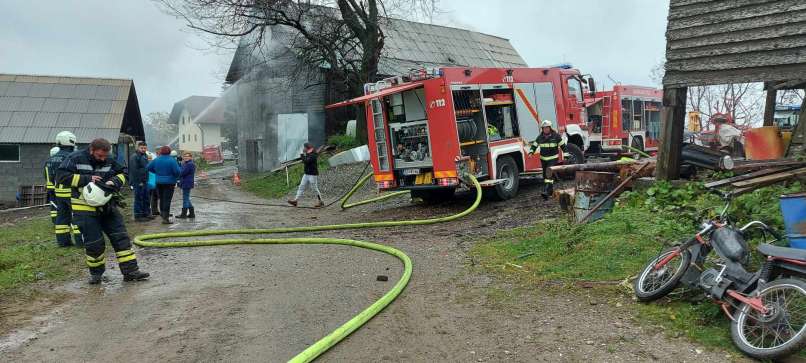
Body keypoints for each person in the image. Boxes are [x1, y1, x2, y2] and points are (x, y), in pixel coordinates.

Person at [57, 138, 149, 284]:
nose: (103, 159)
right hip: (84, 208)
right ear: (91, 150)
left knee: (121, 238)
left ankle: (131, 272)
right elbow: (61, 177)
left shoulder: (109, 159)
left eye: (105, 156)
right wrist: (87, 178)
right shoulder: (74, 158)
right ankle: (96, 274)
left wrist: (115, 181)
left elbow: (123, 173)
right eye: (100, 156)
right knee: (94, 243)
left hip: (108, 206)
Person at [48, 131, 83, 247]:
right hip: (71, 191)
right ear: (71, 141)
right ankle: (80, 241)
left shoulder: (51, 159)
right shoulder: (72, 156)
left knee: (62, 218)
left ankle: (63, 242)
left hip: (58, 192)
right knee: (77, 216)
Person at [529, 120, 567, 200]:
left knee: (548, 174)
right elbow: (534, 145)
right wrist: (531, 152)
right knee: (545, 176)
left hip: (553, 158)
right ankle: (550, 191)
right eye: (544, 128)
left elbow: (563, 146)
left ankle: (546, 191)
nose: (545, 129)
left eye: (547, 128)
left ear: (550, 128)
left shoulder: (556, 136)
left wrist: (566, 156)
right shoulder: (540, 137)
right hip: (543, 159)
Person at [147, 146, 181, 224]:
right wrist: (174, 177)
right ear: (169, 152)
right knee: (167, 200)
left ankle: (163, 214)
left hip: (158, 182)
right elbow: (177, 172)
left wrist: (157, 173)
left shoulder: (156, 159)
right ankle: (165, 218)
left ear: (161, 152)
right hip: (169, 183)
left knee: (161, 198)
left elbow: (148, 167)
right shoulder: (172, 160)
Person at [288, 142, 325, 208]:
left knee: (314, 188)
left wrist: (302, 154)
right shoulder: (309, 153)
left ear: (307, 147)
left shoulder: (313, 155)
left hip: (312, 174)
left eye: (304, 147)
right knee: (301, 186)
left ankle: (321, 201)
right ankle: (295, 200)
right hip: (306, 174)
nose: (303, 148)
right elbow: (305, 161)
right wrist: (304, 155)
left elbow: (306, 161)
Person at [129, 142, 153, 222]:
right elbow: (134, 170)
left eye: (145, 148)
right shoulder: (135, 157)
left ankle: (146, 214)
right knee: (139, 198)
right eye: (142, 148)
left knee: (146, 198)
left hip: (145, 180)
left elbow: (145, 168)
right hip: (138, 181)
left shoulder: (145, 156)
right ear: (138, 148)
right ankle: (138, 216)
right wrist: (139, 181)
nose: (143, 149)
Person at [176, 152, 196, 219]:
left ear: (190, 157)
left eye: (188, 156)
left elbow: (182, 173)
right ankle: (192, 213)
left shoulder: (189, 164)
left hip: (187, 183)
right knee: (186, 198)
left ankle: (183, 214)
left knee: (185, 198)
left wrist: (179, 167)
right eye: (185, 156)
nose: (186, 157)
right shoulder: (186, 163)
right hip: (185, 182)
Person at [149, 149, 161, 217]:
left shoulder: (155, 161)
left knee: (156, 196)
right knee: (155, 196)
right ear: (156, 154)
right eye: (158, 154)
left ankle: (156, 210)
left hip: (157, 181)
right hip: (154, 181)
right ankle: (155, 210)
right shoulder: (155, 161)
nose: (159, 155)